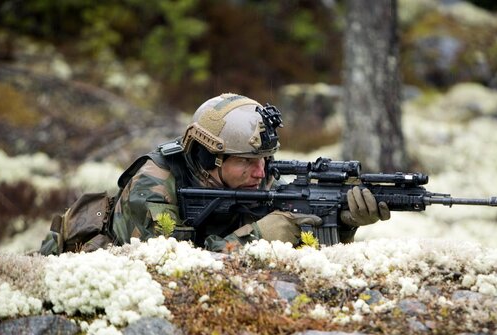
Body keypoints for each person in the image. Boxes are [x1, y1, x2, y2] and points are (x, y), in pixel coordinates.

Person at [39, 93, 390, 255]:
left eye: (266, 159)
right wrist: (259, 237)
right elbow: (170, 269)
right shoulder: (153, 185)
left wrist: (341, 222)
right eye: (248, 162)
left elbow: (296, 242)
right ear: (212, 158)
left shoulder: (256, 173)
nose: (261, 172)